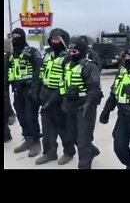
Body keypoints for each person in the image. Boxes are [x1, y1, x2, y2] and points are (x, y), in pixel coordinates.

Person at [35, 28, 76, 165]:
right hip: (45, 93)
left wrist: (56, 97)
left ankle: (69, 152)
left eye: (57, 39)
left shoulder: (68, 57)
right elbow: (42, 74)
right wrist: (38, 92)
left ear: (64, 40)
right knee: (47, 127)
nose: (54, 41)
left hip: (61, 96)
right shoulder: (47, 55)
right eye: (52, 39)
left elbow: (67, 79)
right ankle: (49, 152)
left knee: (63, 127)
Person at [61, 39, 104, 169]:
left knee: (83, 138)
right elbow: (63, 83)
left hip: (85, 105)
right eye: (70, 51)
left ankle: (84, 165)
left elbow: (94, 88)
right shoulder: (68, 65)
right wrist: (64, 99)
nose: (71, 53)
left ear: (82, 52)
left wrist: (88, 102)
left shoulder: (90, 66)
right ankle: (91, 151)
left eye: (74, 51)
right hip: (70, 105)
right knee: (71, 135)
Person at [6, 28, 43, 157]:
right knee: (21, 116)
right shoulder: (10, 55)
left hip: (30, 90)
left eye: (17, 37)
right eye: (13, 38)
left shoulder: (32, 52)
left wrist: (34, 88)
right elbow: (7, 73)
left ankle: (36, 141)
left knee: (30, 116)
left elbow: (39, 70)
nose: (15, 40)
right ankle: (28, 138)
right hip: (17, 91)